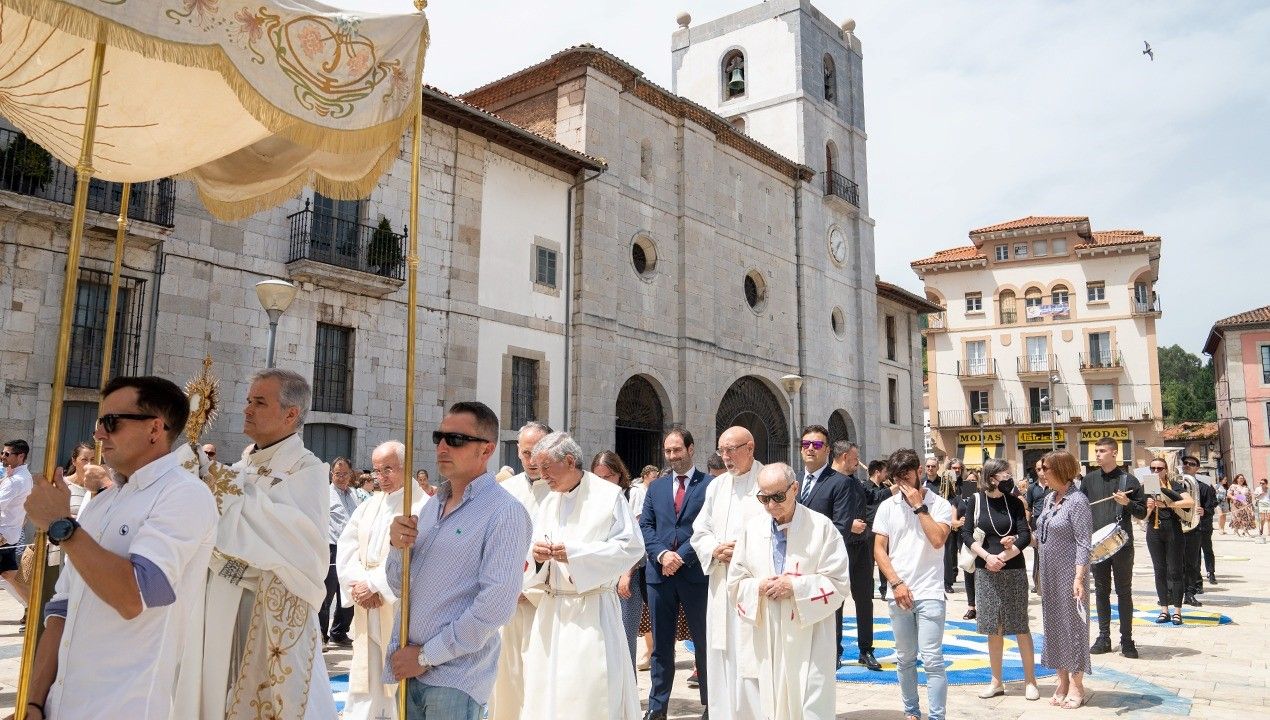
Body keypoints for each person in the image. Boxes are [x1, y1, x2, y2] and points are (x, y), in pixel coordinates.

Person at [25, 376, 218, 719]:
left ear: (155, 429)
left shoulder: (183, 494)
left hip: (125, 706)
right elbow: (61, 611)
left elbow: (133, 598)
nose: (99, 434)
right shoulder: (103, 502)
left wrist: (61, 525)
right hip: (62, 705)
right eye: (99, 423)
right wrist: (35, 703)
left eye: (111, 422)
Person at [173, 368, 336, 720]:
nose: (247, 409)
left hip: (269, 607)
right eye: (248, 400)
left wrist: (215, 486)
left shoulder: (307, 470)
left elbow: (296, 541)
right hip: (218, 603)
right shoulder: (243, 465)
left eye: (259, 402)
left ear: (291, 414)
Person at [384, 401, 532, 718]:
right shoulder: (429, 507)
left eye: (456, 439)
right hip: (410, 669)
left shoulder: (505, 512)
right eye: (439, 437)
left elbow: (494, 608)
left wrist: (425, 656)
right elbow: (400, 587)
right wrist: (397, 546)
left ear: (486, 450)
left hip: (455, 679)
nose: (442, 446)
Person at [521, 432, 644, 719]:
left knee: (590, 692)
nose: (542, 477)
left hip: (592, 611)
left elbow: (631, 548)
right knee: (548, 691)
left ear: (568, 460)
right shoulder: (550, 501)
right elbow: (533, 552)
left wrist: (576, 554)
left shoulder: (608, 495)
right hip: (552, 612)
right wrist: (536, 556)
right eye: (538, 470)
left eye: (547, 469)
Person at [728, 463, 851, 719]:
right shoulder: (753, 529)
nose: (771, 506)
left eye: (778, 497)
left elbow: (838, 582)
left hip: (809, 634)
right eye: (764, 498)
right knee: (764, 702)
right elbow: (736, 581)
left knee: (809, 700)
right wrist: (758, 586)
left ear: (794, 488)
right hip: (766, 632)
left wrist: (795, 586)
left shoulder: (822, 528)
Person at [872, 448, 953, 720]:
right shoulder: (887, 506)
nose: (903, 486)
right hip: (899, 592)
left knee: (932, 658)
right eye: (898, 480)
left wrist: (919, 506)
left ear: (920, 472)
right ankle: (911, 712)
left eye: (907, 478)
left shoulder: (940, 505)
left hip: (930, 591)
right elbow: (879, 550)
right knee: (905, 658)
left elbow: (938, 540)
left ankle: (937, 716)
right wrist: (895, 583)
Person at [336, 441, 410, 720]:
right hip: (367, 605)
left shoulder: (420, 505)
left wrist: (376, 585)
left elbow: (419, 558)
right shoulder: (369, 505)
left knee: (396, 676)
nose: (381, 477)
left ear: (406, 466)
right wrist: (358, 585)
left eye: (388, 469)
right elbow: (347, 546)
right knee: (366, 673)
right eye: (377, 470)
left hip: (398, 605)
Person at [644, 427, 712, 720]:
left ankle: (711, 705)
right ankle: (657, 707)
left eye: (677, 450)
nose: (672, 456)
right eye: (668, 451)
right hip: (659, 576)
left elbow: (708, 528)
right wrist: (662, 555)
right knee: (661, 645)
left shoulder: (709, 486)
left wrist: (680, 556)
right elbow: (645, 526)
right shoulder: (656, 487)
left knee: (704, 641)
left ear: (691, 448)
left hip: (695, 574)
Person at [488, 421, 552, 720]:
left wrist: (532, 589)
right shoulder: (504, 491)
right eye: (526, 453)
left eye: (538, 452)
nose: (532, 461)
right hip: (507, 601)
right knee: (507, 678)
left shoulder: (561, 490)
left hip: (547, 601)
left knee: (542, 676)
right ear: (518, 452)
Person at [963, 459, 1038, 701]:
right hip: (986, 571)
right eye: (1005, 474)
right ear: (992, 477)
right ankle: (996, 681)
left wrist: (1004, 556)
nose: (1009, 478)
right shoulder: (975, 501)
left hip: (1013, 569)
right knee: (992, 628)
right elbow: (965, 533)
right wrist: (987, 557)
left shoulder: (1015, 502)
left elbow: (1025, 534)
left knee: (1020, 626)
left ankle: (1030, 681)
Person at [1035, 450, 1092, 709]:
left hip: (1070, 573)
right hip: (1048, 572)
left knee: (1074, 627)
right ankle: (1062, 681)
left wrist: (1079, 577)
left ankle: (1077, 683)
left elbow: (1083, 542)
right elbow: (1043, 534)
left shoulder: (1077, 501)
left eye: (1045, 468)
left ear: (1059, 470)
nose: (1041, 472)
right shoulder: (1049, 499)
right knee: (1054, 624)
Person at [792, 426, 852, 670]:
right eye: (806, 444)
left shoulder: (839, 484)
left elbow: (840, 529)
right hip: (793, 567)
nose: (810, 449)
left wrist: (810, 552)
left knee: (824, 632)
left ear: (826, 450)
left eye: (816, 445)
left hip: (821, 568)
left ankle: (832, 658)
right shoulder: (792, 481)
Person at [1083, 436, 1146, 659]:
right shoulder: (1088, 480)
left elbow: (1142, 513)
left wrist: (1127, 503)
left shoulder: (1129, 481)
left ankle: (1127, 640)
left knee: (1124, 591)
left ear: (1114, 453)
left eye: (1101, 451)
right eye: (1096, 451)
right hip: (1096, 545)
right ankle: (1103, 637)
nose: (1097, 454)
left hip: (1122, 544)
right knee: (1101, 592)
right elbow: (1082, 511)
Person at [591, 450, 646, 669]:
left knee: (625, 634)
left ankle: (629, 692)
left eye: (608, 476)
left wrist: (627, 574)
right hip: (601, 576)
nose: (604, 481)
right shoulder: (591, 499)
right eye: (599, 477)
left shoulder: (633, 495)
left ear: (619, 474)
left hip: (626, 577)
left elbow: (635, 540)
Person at [829, 440, 880, 669]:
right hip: (839, 548)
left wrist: (895, 488)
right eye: (855, 458)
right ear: (843, 457)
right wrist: (848, 525)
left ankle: (866, 650)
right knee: (835, 602)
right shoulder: (827, 481)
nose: (858, 463)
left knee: (864, 598)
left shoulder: (854, 482)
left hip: (860, 547)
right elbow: (821, 515)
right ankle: (833, 651)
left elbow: (870, 499)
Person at [1143, 458, 1193, 625]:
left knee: (1175, 571)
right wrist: (1149, 508)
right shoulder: (1147, 487)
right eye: (1153, 468)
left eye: (1159, 468)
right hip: (1154, 531)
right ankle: (1164, 610)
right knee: (1159, 571)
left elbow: (1189, 502)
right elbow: (1141, 517)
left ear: (1165, 469)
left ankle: (1177, 611)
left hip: (1173, 529)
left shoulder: (1173, 485)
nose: (1156, 471)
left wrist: (1167, 504)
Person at [324, 456, 359, 645]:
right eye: (337, 474)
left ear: (351, 474)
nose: (341, 477)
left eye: (345, 473)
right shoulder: (324, 494)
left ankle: (339, 632)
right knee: (327, 593)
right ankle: (322, 635)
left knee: (348, 592)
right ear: (331, 474)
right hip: (332, 547)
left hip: (352, 550)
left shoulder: (354, 494)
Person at [0, 439, 33, 605]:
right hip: (9, 533)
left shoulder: (16, 481)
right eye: (2, 452)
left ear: (21, 456)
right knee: (9, 575)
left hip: (3, 533)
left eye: (7, 454)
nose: (3, 456)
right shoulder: (18, 476)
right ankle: (34, 609)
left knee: (9, 576)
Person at [1180, 456, 1217, 599]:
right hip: (1181, 527)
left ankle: (1200, 581)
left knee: (1197, 556)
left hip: (1201, 526)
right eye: (1185, 463)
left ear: (1197, 468)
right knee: (1182, 558)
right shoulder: (1176, 485)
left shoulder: (1205, 487)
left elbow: (1211, 506)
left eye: (1191, 464)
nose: (1187, 465)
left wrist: (1205, 511)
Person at [864, 459, 895, 599]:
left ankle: (884, 589)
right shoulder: (865, 487)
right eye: (884, 472)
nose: (886, 474)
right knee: (868, 562)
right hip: (869, 529)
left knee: (884, 559)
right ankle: (868, 590)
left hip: (884, 530)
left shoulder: (885, 487)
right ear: (877, 472)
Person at [955, 470, 980, 620]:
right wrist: (960, 522)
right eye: (968, 480)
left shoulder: (981, 498)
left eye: (974, 480)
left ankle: (982, 604)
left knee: (981, 571)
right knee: (968, 570)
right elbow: (953, 521)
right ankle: (971, 606)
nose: (971, 483)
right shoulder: (958, 499)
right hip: (964, 538)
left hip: (981, 538)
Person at [940, 459, 966, 593]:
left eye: (959, 468)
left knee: (965, 551)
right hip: (949, 521)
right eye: (954, 468)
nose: (956, 471)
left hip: (963, 522)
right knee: (949, 552)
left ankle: (965, 578)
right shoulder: (944, 483)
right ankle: (948, 581)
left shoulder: (966, 484)